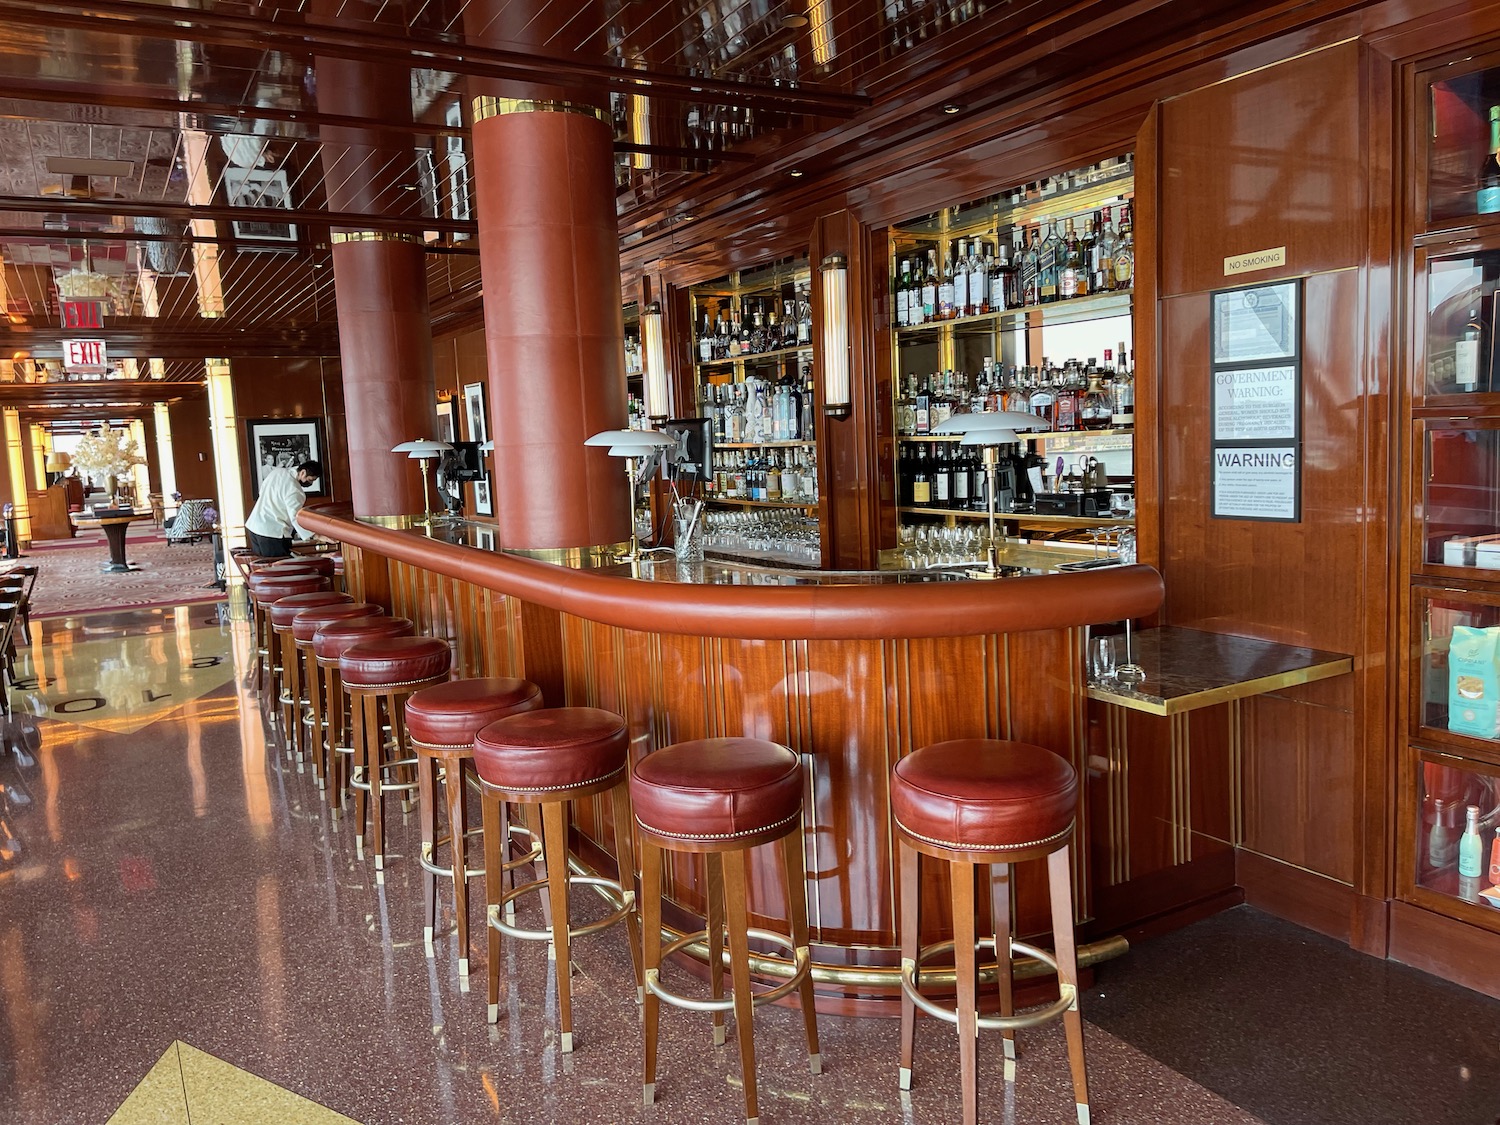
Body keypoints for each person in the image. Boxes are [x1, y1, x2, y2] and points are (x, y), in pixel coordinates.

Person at [245, 459, 321, 557]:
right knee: (280, 569)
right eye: (310, 480)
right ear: (303, 472)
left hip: (254, 528)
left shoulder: (277, 472)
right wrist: (316, 535)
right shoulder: (295, 489)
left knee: (264, 568)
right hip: (272, 533)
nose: (310, 484)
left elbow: (261, 492)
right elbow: (296, 517)